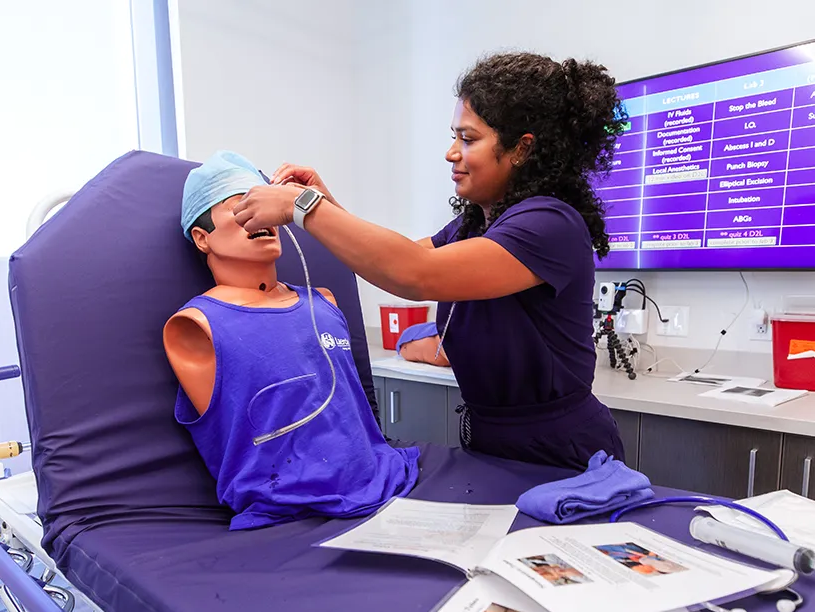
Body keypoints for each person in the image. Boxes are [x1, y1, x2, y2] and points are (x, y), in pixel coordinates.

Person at [231, 53, 627, 469]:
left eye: (468, 139)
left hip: (561, 451)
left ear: (521, 149)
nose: (451, 153)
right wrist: (326, 206)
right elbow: (399, 256)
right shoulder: (474, 225)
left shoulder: (551, 224)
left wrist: (303, 207)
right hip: (493, 442)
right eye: (454, 137)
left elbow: (416, 273)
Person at [162, 151, 419, 531]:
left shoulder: (323, 303)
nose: (261, 216)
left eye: (264, 203)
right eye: (240, 205)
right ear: (203, 238)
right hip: (287, 513)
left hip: (386, 481)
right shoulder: (198, 326)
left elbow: (415, 262)